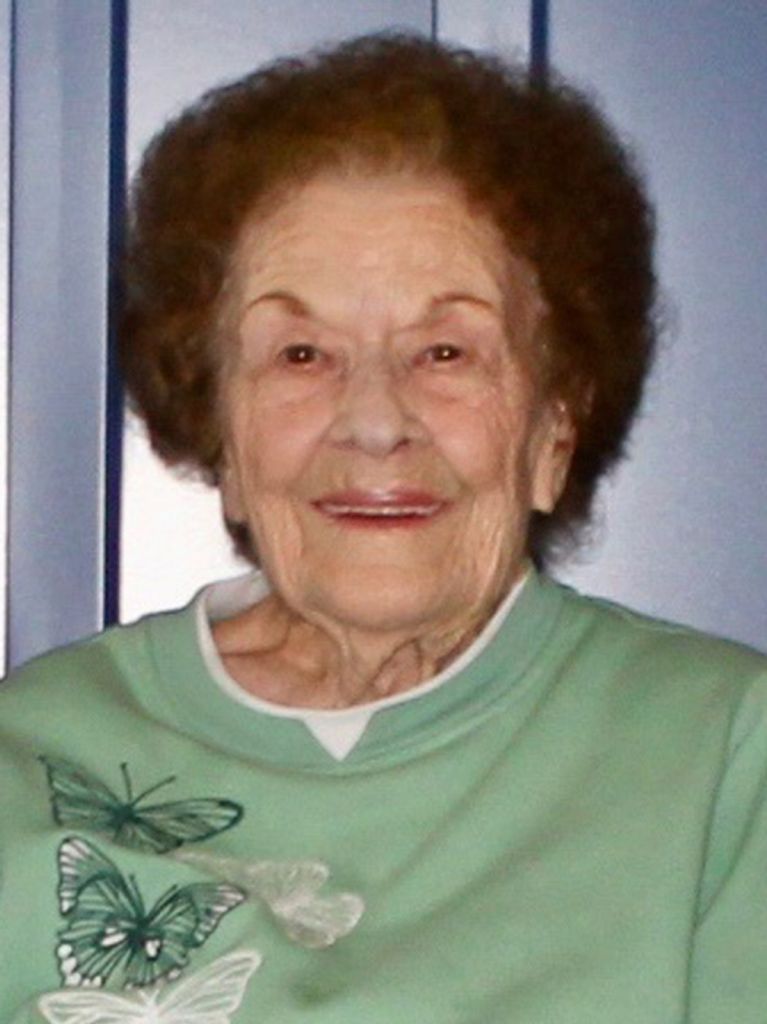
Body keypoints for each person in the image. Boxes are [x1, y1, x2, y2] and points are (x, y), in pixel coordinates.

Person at [1, 32, 765, 1024]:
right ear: (218, 426)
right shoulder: (33, 746)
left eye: (444, 351)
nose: (373, 422)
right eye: (301, 353)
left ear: (552, 425)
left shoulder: (721, 754)